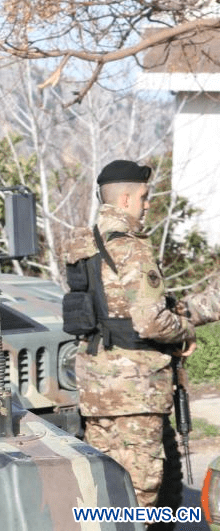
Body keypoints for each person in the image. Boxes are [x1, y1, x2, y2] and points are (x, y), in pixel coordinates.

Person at [64, 160, 198, 520]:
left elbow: (108, 309)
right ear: (125, 199)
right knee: (139, 494)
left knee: (104, 488)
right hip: (135, 390)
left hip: (97, 388)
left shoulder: (82, 244)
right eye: (144, 196)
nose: (147, 204)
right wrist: (186, 331)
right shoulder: (131, 248)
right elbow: (151, 322)